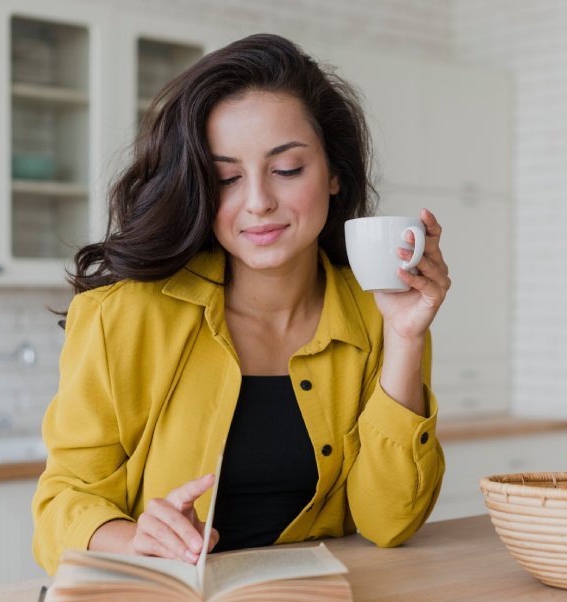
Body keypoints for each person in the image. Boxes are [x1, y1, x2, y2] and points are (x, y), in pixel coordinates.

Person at [32, 34, 450, 574]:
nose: (258, 202)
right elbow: (58, 508)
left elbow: (389, 521)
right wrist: (132, 537)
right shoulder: (120, 318)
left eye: (287, 169)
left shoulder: (380, 315)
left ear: (335, 173)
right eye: (227, 177)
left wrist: (406, 338)